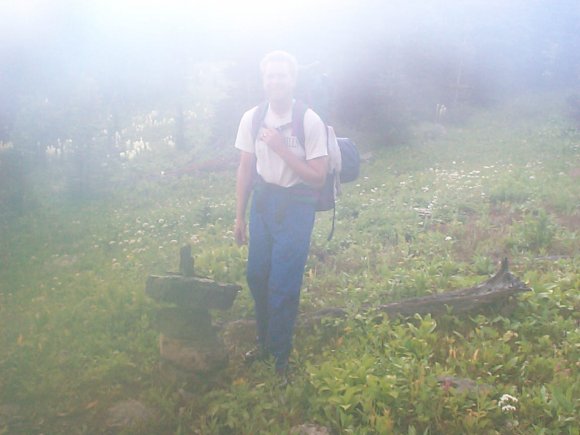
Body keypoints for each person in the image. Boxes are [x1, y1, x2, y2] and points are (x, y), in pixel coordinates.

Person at [233, 51, 328, 378]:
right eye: (270, 76)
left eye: (281, 76)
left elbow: (317, 176)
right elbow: (245, 168)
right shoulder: (253, 118)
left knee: (283, 283)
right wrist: (239, 216)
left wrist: (280, 147)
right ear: (264, 80)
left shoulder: (308, 120)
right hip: (263, 203)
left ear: (293, 80)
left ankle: (280, 357)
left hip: (297, 207)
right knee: (257, 276)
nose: (275, 81)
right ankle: (264, 342)